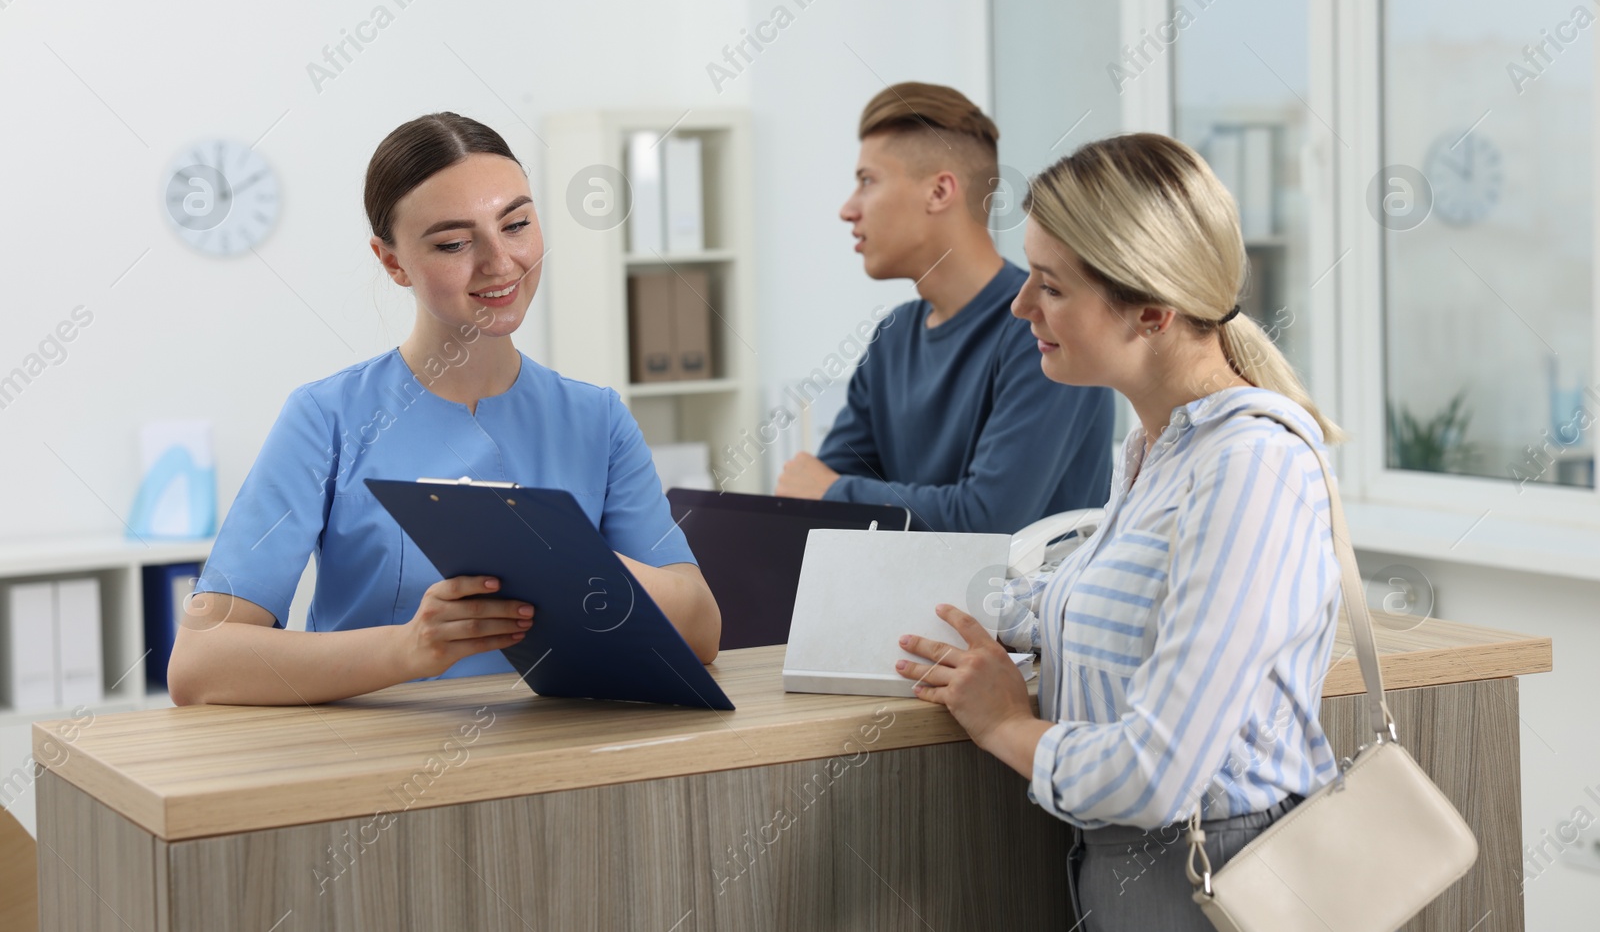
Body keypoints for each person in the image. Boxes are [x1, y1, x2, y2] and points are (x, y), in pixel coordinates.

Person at [893, 133, 1345, 929]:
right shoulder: (1152, 450)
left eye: (1052, 286)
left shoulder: (1248, 467)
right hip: (1129, 875)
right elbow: (1106, 604)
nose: (1021, 306)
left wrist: (1008, 725)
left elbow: (1157, 772)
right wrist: (908, 601)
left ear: (1153, 309)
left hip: (1214, 879)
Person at [169, 113, 720, 706]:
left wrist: (572, 564)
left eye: (516, 224)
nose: (500, 262)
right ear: (393, 262)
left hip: (563, 762)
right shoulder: (325, 419)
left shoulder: (597, 420)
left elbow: (700, 629)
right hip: (374, 770)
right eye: (455, 243)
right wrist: (408, 649)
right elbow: (201, 664)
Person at [775, 82, 1113, 534]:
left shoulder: (1043, 331)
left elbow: (987, 523)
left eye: (867, 181)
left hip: (1020, 605)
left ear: (939, 192)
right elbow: (814, 506)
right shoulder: (892, 338)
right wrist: (829, 493)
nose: (847, 209)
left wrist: (834, 492)